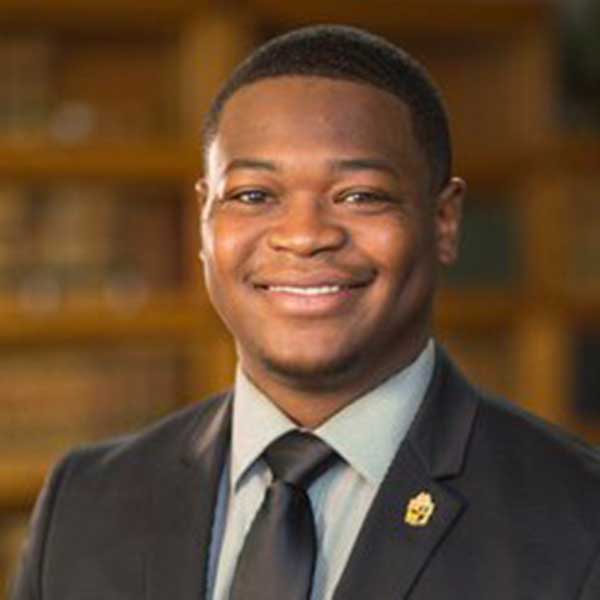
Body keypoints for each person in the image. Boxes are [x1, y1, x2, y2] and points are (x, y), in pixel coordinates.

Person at [12, 24, 600, 600]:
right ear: (203, 219)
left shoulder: (579, 520)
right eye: (253, 196)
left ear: (444, 221)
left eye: (360, 195)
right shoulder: (86, 501)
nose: (303, 236)